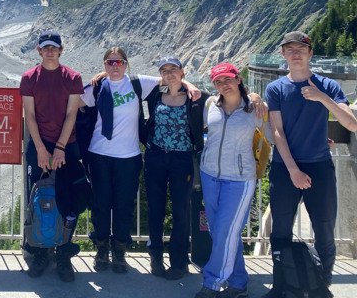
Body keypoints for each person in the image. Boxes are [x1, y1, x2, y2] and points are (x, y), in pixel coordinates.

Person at [81, 48, 200, 275]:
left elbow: (171, 79)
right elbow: (73, 105)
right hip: (99, 154)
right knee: (101, 205)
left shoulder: (138, 83)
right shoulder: (96, 87)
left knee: (124, 206)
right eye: (110, 62)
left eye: (119, 62)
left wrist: (191, 85)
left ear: (127, 64)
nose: (115, 66)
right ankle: (101, 249)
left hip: (129, 156)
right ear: (105, 64)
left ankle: (119, 251)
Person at [264, 32, 357, 297]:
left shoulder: (327, 86)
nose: (295, 53)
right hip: (285, 167)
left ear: (310, 53)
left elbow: (351, 124)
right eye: (289, 49)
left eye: (300, 49)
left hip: (319, 166)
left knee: (325, 229)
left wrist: (322, 98)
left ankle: (321, 285)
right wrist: (293, 170)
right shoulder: (276, 88)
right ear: (283, 54)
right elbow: (277, 131)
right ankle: (282, 284)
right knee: (280, 230)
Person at [194, 62, 269, 298]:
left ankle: (213, 283)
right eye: (218, 81)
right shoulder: (210, 105)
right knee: (220, 232)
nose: (223, 85)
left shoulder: (255, 109)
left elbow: (277, 133)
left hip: (239, 179)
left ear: (238, 79)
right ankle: (238, 283)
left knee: (226, 232)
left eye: (227, 79)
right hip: (209, 175)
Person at [20, 30, 83, 282]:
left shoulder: (73, 77)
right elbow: (30, 115)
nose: (49, 51)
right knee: (38, 198)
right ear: (39, 50)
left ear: (60, 50)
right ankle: (40, 251)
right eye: (45, 47)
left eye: (53, 47)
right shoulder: (29, 78)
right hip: (39, 145)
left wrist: (59, 147)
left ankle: (63, 254)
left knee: (69, 201)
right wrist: (41, 149)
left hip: (67, 144)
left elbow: (71, 114)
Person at [144, 57, 208, 279]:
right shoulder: (155, 95)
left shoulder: (196, 98)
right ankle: (155, 257)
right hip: (156, 157)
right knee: (155, 209)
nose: (169, 73)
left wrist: (256, 98)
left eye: (173, 69)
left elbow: (225, 99)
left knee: (182, 210)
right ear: (161, 74)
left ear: (182, 72)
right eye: (165, 70)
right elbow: (127, 81)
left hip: (183, 159)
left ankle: (179, 262)